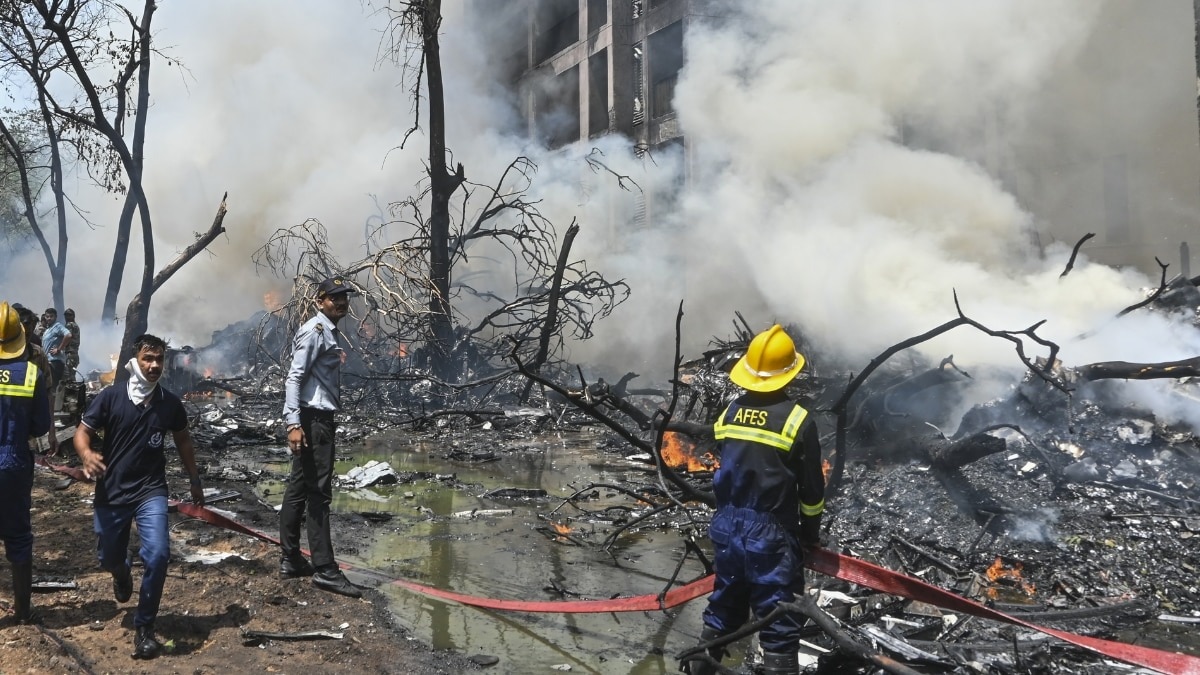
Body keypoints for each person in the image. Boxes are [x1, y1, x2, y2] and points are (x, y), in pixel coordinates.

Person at [686, 324, 825, 675]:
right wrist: (810, 535)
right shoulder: (797, 420)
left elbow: (731, 458)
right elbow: (811, 492)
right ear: (789, 373)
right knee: (780, 620)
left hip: (727, 527)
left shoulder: (730, 412)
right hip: (771, 534)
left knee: (723, 609)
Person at [73, 334, 205, 659]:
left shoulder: (170, 404)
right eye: (148, 358)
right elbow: (82, 433)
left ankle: (144, 626)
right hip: (112, 491)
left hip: (151, 490)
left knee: (158, 555)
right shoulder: (111, 397)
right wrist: (86, 455)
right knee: (108, 557)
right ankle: (121, 571)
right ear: (135, 360)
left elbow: (183, 440)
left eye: (159, 359)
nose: (154, 365)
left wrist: (194, 478)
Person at [279, 276, 362, 598]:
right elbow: (294, 377)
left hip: (313, 418)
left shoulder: (326, 330)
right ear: (320, 301)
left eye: (344, 297)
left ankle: (290, 559)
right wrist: (293, 423)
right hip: (314, 420)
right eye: (334, 297)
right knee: (318, 494)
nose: (341, 302)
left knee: (299, 487)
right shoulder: (315, 331)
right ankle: (326, 570)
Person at [0, 302, 52, 624]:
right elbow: (41, 425)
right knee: (18, 535)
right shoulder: (32, 374)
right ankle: (22, 611)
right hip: (13, 462)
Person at [15, 307, 57, 456]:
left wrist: (52, 431)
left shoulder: (38, 354)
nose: (26, 338)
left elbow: (48, 393)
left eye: (30, 333)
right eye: (23, 333)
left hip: (28, 427)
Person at [39, 308, 72, 388]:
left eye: (51, 316)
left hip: (55, 362)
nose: (49, 318)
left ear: (55, 317)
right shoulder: (48, 329)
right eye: (47, 316)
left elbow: (68, 335)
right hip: (48, 362)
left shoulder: (57, 326)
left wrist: (59, 349)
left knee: (53, 386)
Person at [63, 308, 80, 381]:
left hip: (70, 354)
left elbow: (68, 336)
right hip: (75, 354)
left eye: (69, 315)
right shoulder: (76, 325)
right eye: (66, 315)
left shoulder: (69, 325)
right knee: (72, 375)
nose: (67, 317)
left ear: (73, 316)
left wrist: (60, 348)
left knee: (68, 377)